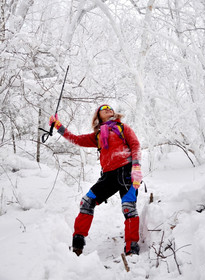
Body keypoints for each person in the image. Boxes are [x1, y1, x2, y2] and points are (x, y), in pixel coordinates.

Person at [49, 104, 143, 256]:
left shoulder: (122, 127)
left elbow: (135, 145)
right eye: (103, 108)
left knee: (128, 207)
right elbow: (76, 139)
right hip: (108, 176)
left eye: (110, 108)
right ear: (98, 116)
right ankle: (77, 248)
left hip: (126, 171)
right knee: (87, 202)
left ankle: (131, 249)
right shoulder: (98, 135)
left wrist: (136, 167)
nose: (108, 109)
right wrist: (58, 127)